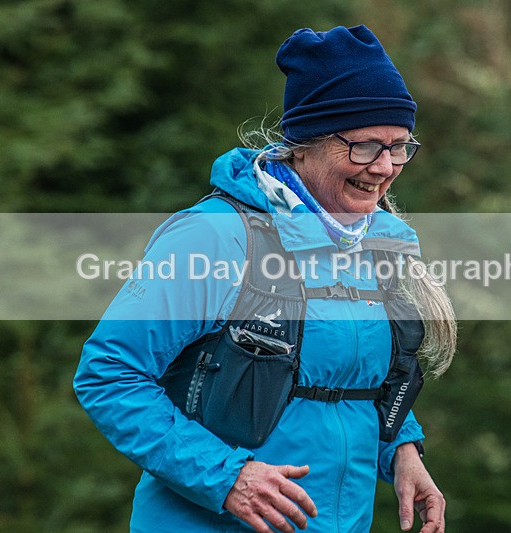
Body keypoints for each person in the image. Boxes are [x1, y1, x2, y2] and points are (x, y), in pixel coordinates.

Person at [74, 25, 456, 533]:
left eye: (400, 146)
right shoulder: (215, 235)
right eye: (364, 146)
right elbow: (109, 373)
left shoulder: (379, 243)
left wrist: (401, 448)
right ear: (303, 145)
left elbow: (355, 377)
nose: (384, 167)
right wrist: (225, 477)